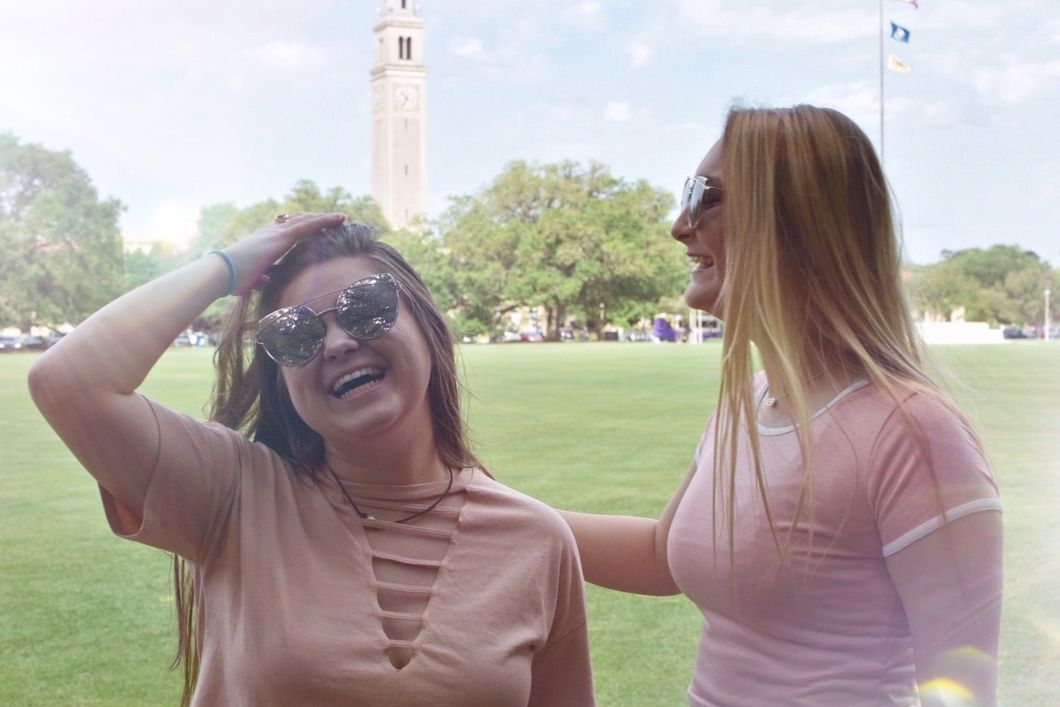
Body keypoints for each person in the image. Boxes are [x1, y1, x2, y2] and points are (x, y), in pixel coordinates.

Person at [29, 216, 594, 707]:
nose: (337, 344)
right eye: (294, 334)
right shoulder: (233, 494)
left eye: (367, 307)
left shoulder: (537, 541)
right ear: (282, 380)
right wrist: (228, 267)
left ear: (426, 323)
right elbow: (68, 382)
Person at [561, 105, 1002, 706]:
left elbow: (964, 693)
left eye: (702, 196)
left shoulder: (914, 434)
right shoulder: (750, 399)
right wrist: (483, 507)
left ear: (792, 221)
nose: (679, 226)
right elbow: (661, 557)